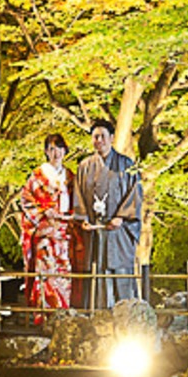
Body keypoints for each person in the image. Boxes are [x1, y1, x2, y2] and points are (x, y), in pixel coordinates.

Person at [73, 119, 143, 308]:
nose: (99, 140)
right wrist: (83, 219)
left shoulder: (127, 164)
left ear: (112, 138)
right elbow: (78, 196)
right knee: (96, 272)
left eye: (103, 136)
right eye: (95, 136)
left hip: (119, 231)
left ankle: (127, 317)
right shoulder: (84, 166)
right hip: (94, 232)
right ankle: (95, 318)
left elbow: (135, 194)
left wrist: (121, 217)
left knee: (120, 271)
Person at [20, 133, 76, 319]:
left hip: (63, 233)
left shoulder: (70, 176)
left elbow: (78, 200)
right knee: (45, 273)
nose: (56, 153)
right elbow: (26, 199)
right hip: (45, 233)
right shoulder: (37, 176)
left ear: (65, 150)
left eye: (59, 148)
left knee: (64, 274)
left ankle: (62, 314)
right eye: (51, 148)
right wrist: (44, 211)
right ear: (46, 151)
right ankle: (43, 315)